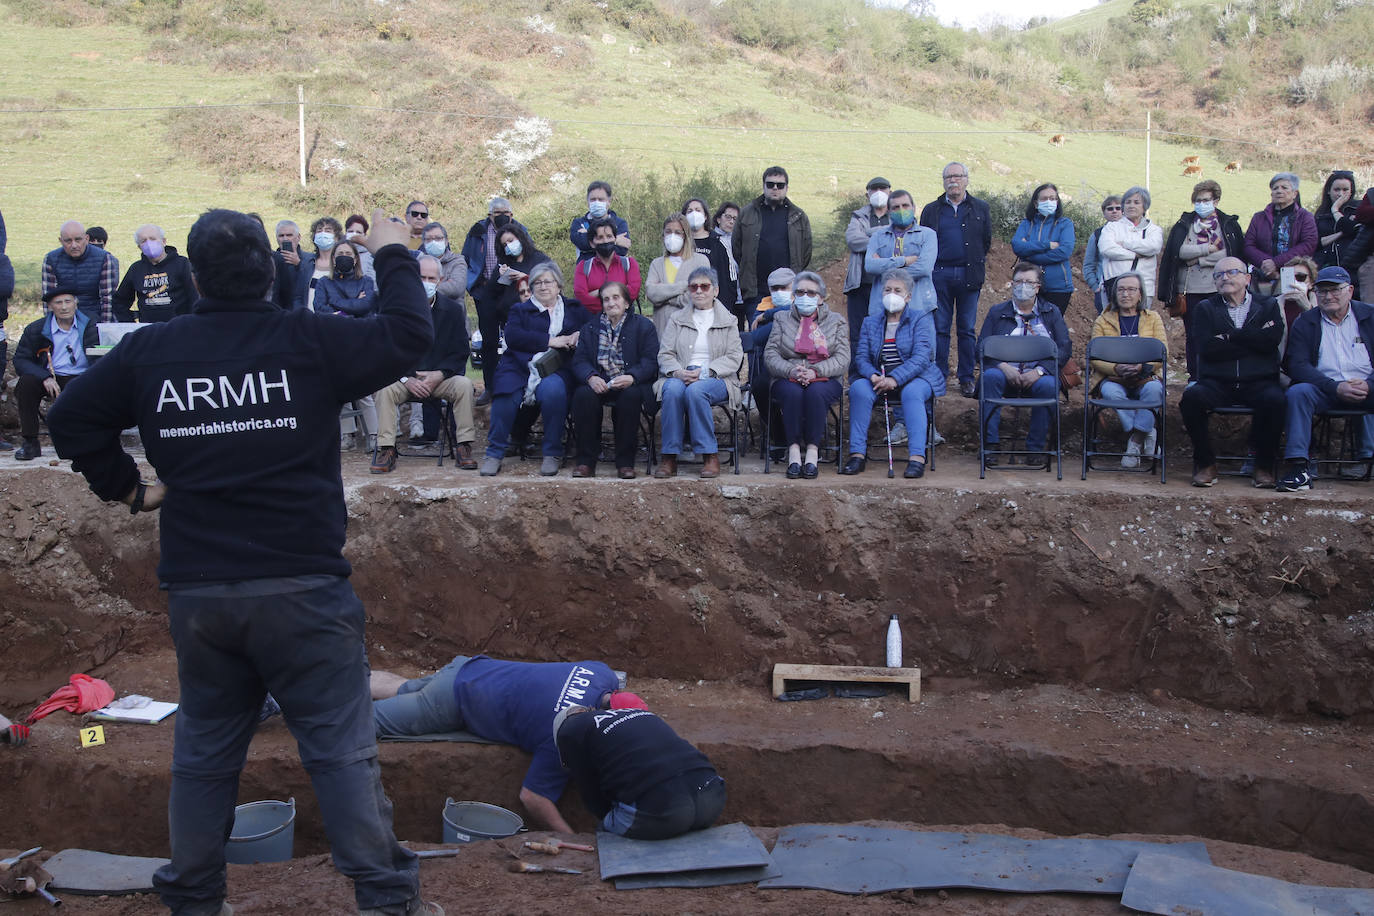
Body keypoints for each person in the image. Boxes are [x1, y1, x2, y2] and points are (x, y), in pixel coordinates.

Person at [46, 208, 441, 916]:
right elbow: (412, 335)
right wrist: (391, 254)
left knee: (204, 755)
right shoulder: (308, 340)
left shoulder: (152, 353)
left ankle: (195, 901)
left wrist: (129, 489)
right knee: (340, 756)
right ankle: (386, 902)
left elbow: (71, 417)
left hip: (203, 599)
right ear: (271, 268)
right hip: (305, 594)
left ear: (194, 276)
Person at [371, 653, 642, 834]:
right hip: (452, 701)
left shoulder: (601, 673)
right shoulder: (562, 736)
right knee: (364, 723)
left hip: (470, 668)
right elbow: (533, 797)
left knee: (403, 688)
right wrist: (570, 837)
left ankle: (344, 681)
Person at [1178, 256, 1285, 488]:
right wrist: (1252, 337)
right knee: (1191, 399)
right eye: (1219, 275)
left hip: (1258, 380)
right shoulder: (1205, 308)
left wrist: (1230, 336)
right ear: (1214, 282)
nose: (1224, 278)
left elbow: (1270, 341)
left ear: (1247, 278)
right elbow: (1207, 348)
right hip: (1218, 381)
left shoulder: (1268, 305)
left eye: (1231, 272)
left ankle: (1263, 466)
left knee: (1276, 400)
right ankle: (1206, 463)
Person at [370, 255, 478, 473]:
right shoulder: (394, 309)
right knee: (384, 389)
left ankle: (463, 445)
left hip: (440, 378)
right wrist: (407, 379)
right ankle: (386, 448)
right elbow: (386, 351)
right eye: (422, 277)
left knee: (465, 385)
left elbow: (460, 352)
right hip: (404, 378)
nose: (426, 282)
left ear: (440, 280)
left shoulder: (453, 311)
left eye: (431, 278)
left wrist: (439, 375)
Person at [554, 704, 725, 841]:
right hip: (712, 797)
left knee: (604, 833)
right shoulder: (636, 713)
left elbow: (590, 792)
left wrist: (609, 815)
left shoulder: (569, 730)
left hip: (663, 812)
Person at [481, 261, 588, 477]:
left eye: (547, 281)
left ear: (558, 285)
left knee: (553, 390)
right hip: (519, 366)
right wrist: (551, 341)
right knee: (505, 394)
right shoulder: (520, 309)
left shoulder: (575, 309)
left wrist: (579, 335)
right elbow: (513, 336)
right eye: (536, 283)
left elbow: (590, 329)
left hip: (557, 368)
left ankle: (552, 453)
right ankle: (494, 453)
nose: (542, 286)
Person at [1277, 266, 1374, 492]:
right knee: (1298, 393)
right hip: (1325, 390)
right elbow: (1298, 365)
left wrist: (1369, 385)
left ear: (1350, 290)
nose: (1328, 296)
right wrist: (1334, 387)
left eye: (1335, 290)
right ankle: (1299, 468)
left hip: (1367, 388)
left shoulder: (1370, 316)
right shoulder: (1306, 321)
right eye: (1322, 291)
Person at [843, 269, 944, 478]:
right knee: (859, 389)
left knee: (912, 393)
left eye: (898, 290)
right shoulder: (870, 322)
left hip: (916, 378)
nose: (892, 294)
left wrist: (895, 379)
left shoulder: (920, 319)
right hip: (878, 378)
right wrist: (873, 376)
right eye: (887, 289)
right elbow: (861, 357)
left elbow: (922, 357)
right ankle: (857, 455)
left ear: (908, 296)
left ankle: (917, 458)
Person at [976, 262, 1071, 469]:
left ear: (1038, 287)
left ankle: (1035, 448)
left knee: (1048, 386)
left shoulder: (1051, 312)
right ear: (1012, 284)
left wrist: (1039, 371)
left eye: (1029, 282)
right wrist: (1003, 366)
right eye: (1019, 281)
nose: (1023, 286)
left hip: (1037, 375)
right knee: (989, 378)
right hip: (1003, 373)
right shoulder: (997, 312)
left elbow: (1063, 349)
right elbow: (981, 348)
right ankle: (990, 445)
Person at [653, 266, 744, 480]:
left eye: (705, 286)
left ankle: (709, 454)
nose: (699, 291)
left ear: (716, 290)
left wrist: (707, 371)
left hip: (717, 378)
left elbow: (734, 357)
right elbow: (665, 354)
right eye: (694, 287)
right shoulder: (677, 319)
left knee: (696, 392)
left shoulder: (729, 320)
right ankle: (669, 457)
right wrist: (677, 371)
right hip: (679, 374)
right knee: (673, 390)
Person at [1157, 180, 1247, 383]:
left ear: (1216, 200)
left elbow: (1228, 255)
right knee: (1194, 335)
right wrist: (1208, 250)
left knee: (1223, 333)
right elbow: (1179, 251)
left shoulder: (1228, 224)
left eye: (1206, 200)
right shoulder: (1184, 225)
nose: (1202, 203)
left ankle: (1220, 375)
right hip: (1190, 289)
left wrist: (1197, 258)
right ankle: (1195, 377)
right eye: (1198, 200)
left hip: (1222, 289)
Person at [764, 270, 849, 479]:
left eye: (811, 293)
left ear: (821, 298)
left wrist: (815, 371)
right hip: (787, 376)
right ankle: (793, 452)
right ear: (794, 295)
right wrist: (790, 370)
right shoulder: (781, 318)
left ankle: (812, 452)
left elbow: (843, 358)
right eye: (800, 292)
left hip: (825, 377)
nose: (805, 297)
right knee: (793, 393)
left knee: (815, 392)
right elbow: (771, 354)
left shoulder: (836, 321)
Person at [570, 281, 658, 478]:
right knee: (583, 395)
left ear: (627, 302)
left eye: (616, 297)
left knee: (631, 397)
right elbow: (579, 360)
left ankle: (625, 463)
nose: (611, 303)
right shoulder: (589, 328)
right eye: (606, 299)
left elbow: (651, 361)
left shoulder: (643, 327)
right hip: (600, 381)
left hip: (628, 382)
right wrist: (590, 377)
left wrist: (632, 376)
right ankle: (585, 462)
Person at [920, 162, 992, 399]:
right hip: (938, 274)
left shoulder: (981, 208)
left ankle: (966, 378)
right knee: (939, 328)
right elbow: (924, 241)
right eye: (948, 176)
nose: (953, 180)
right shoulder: (931, 210)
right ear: (943, 181)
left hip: (969, 274)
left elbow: (986, 241)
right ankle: (939, 375)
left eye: (958, 176)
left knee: (966, 328)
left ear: (966, 179)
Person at [1088, 271, 1168, 468]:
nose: (1126, 294)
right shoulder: (1103, 320)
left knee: (1154, 391)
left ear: (1140, 294)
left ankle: (1135, 441)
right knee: (1110, 393)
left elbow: (1162, 353)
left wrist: (1142, 366)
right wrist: (1116, 368)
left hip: (1145, 377)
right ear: (1114, 294)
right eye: (1121, 289)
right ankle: (1147, 431)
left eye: (1131, 289)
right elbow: (1095, 358)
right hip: (1114, 379)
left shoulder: (1153, 318)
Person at [12, 287, 97, 461]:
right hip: (53, 376)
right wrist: (44, 377)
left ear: (75, 303)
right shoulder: (36, 329)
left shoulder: (93, 324)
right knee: (26, 384)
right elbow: (21, 359)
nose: (64, 307)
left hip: (85, 376)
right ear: (50, 307)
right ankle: (30, 442)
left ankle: (95, 442)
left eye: (68, 301)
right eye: (59, 303)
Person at [462, 198, 524, 403]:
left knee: (514, 339)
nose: (502, 216)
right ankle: (490, 388)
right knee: (488, 342)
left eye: (506, 212)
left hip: (512, 292)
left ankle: (516, 385)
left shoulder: (520, 231)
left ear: (512, 214)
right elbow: (467, 258)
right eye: (497, 213)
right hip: (486, 291)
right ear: (490, 215)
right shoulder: (477, 231)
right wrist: (472, 285)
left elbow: (529, 256)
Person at [733, 166, 812, 318]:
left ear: (787, 188)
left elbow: (806, 253)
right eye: (770, 184)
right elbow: (737, 249)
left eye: (780, 185)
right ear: (763, 186)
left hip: (789, 292)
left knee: (788, 336)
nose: (775, 188)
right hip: (756, 291)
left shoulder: (799, 216)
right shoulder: (746, 213)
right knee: (759, 335)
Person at [843, 177, 892, 364]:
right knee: (858, 333)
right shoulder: (858, 216)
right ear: (867, 193)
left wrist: (870, 235)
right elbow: (854, 241)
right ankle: (857, 376)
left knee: (887, 332)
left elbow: (899, 239)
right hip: (860, 283)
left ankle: (885, 375)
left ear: (890, 191)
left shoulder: (897, 214)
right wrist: (883, 238)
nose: (878, 192)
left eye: (883, 188)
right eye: (874, 189)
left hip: (889, 285)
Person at [1244, 172, 1319, 295]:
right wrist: (1266, 264)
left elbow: (1308, 244)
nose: (1279, 191)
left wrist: (1276, 263)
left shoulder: (1305, 217)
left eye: (1284, 188)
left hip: (1294, 275)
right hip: (1263, 277)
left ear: (1295, 193)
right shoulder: (1259, 218)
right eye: (1275, 188)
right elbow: (1248, 245)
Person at [1011, 183, 1075, 314]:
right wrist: (1047, 245)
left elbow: (1064, 251)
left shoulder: (1065, 224)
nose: (1049, 202)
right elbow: (1017, 246)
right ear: (1036, 203)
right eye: (1044, 199)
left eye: (1052, 198)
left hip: (1058, 287)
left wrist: (1029, 256)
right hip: (1028, 286)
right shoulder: (1026, 224)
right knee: (1027, 324)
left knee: (1052, 327)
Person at [112, 225, 196, 323]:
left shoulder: (182, 264)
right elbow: (119, 302)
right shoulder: (136, 269)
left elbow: (195, 297)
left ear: (164, 241)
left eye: (152, 239)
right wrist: (130, 323)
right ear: (139, 247)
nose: (148, 243)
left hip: (178, 328)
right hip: (149, 331)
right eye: (143, 241)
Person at [1099, 186, 1165, 310]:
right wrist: (1135, 255)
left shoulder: (1154, 230)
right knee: (1111, 327)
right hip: (1113, 287)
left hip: (1143, 289)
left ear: (1144, 206)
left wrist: (1124, 243)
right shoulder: (1112, 227)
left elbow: (1153, 247)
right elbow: (1107, 249)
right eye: (1127, 202)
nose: (1131, 206)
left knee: (1139, 327)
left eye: (1136, 202)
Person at [645, 214, 710, 335]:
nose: (672, 236)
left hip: (692, 332)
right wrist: (684, 286)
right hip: (663, 333)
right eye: (668, 232)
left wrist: (664, 297)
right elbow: (651, 293)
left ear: (685, 236)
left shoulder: (700, 261)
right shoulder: (657, 264)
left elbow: (701, 298)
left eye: (677, 232)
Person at [42, 220, 119, 323]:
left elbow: (108, 299)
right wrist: (51, 327)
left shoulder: (104, 258)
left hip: (95, 318)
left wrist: (104, 329)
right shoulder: (51, 259)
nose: (74, 245)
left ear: (86, 239)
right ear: (61, 241)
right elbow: (49, 299)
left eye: (78, 240)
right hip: (64, 320)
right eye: (68, 241)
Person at [683, 198, 737, 323]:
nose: (694, 214)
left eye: (698, 210)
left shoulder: (718, 242)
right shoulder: (681, 243)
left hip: (714, 306)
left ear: (706, 216)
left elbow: (728, 280)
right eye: (689, 211)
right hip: (686, 305)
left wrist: (724, 308)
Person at [572, 218, 642, 314]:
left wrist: (598, 292)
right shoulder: (583, 267)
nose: (605, 241)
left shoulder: (630, 264)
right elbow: (582, 298)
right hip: (594, 324)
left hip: (626, 323)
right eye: (600, 237)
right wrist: (619, 292)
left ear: (615, 239)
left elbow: (633, 291)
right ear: (592, 243)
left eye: (609, 236)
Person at [569, 180, 631, 262]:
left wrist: (588, 235)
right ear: (587, 201)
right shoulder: (578, 223)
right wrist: (615, 240)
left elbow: (622, 250)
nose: (596, 202)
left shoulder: (620, 223)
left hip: (613, 272)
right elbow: (581, 243)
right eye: (593, 199)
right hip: (586, 272)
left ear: (609, 202)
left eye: (601, 199)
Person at [292, 216, 343, 311]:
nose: (323, 234)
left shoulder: (342, 265)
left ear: (337, 237)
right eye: (319, 231)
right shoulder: (307, 263)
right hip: (307, 320)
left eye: (328, 231)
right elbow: (298, 296)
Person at [1083, 196, 1122, 315]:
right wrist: (1095, 287)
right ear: (1104, 213)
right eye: (1110, 209)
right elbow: (1088, 264)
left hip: (1127, 289)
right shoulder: (1097, 235)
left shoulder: (1132, 233)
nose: (1114, 211)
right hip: (1104, 290)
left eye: (1118, 208)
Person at [1315, 170, 1360, 271]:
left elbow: (1353, 231)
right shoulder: (1320, 214)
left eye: (1345, 190)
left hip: (1350, 266)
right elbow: (1316, 242)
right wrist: (1340, 234)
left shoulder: (1357, 209)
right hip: (1323, 265)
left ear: (1351, 191)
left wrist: (1335, 209)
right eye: (1337, 189)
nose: (1340, 194)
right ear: (1328, 190)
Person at [419, 222, 468, 304]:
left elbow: (456, 288)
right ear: (423, 242)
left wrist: (427, 289)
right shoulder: (418, 261)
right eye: (429, 239)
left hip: (452, 312)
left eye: (438, 238)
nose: (433, 242)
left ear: (446, 241)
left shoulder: (457, 261)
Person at [712, 201, 742, 312]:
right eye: (728, 217)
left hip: (739, 294)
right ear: (719, 218)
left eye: (735, 219)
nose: (731, 221)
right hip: (721, 293)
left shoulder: (739, 240)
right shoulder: (712, 240)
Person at [345, 214, 376, 280]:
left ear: (364, 235)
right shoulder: (337, 252)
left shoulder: (371, 257)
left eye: (358, 232)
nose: (354, 235)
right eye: (350, 231)